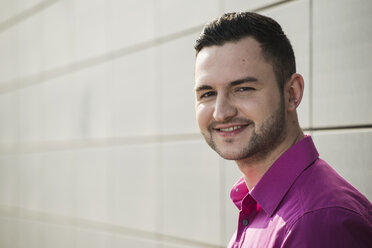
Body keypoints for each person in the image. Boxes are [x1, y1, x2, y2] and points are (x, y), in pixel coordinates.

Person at [193, 12, 372, 247]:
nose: (221, 112)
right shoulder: (260, 205)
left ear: (292, 93)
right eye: (208, 94)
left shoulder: (317, 223)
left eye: (243, 88)